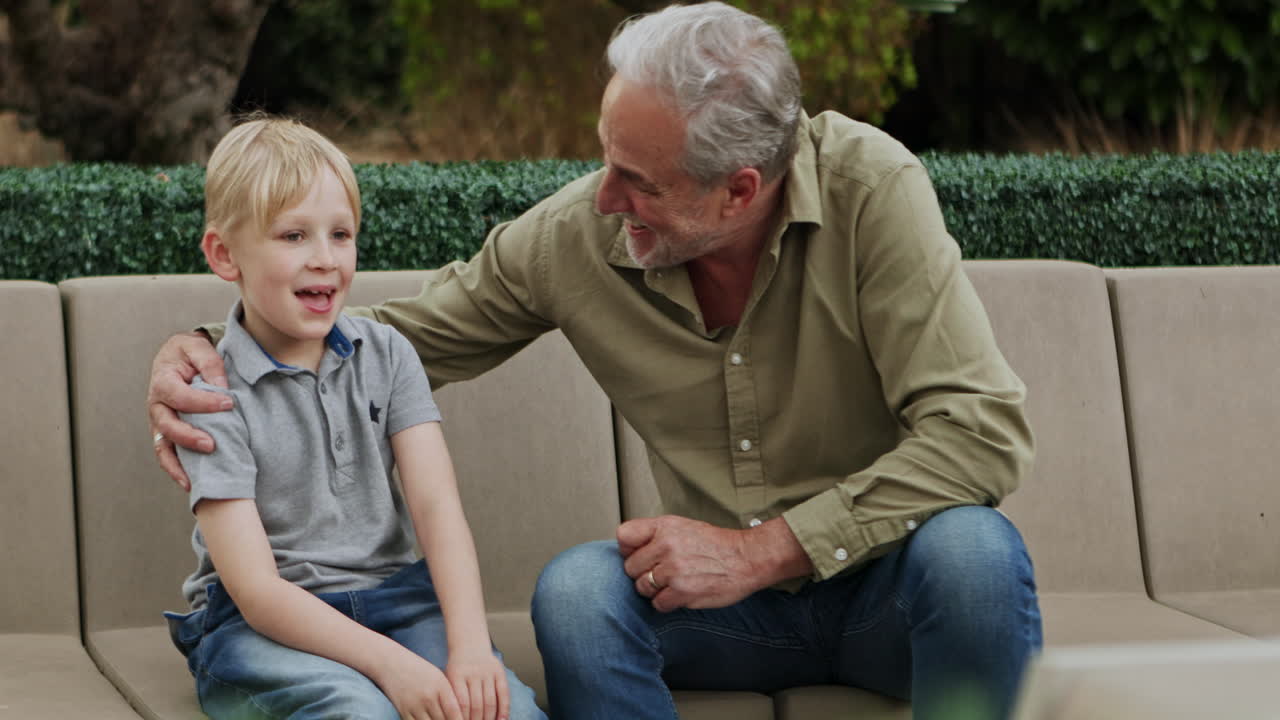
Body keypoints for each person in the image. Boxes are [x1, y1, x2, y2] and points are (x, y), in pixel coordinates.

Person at [150, 4, 1041, 719]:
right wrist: (207, 350)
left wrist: (766, 549)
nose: (604, 197)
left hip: (883, 591)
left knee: (975, 554)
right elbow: (385, 338)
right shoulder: (583, 231)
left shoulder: (871, 191)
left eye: (638, 180)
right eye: (606, 159)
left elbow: (981, 435)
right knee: (579, 594)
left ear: (738, 188)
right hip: (723, 621)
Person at [161, 116, 545, 720]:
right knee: (361, 710)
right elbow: (257, 591)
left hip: (399, 602)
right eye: (293, 236)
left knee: (503, 711)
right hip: (258, 627)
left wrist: (471, 649)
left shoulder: (388, 353)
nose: (325, 260)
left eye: (341, 234)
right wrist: (392, 666)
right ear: (223, 254)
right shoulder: (207, 392)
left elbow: (438, 511)